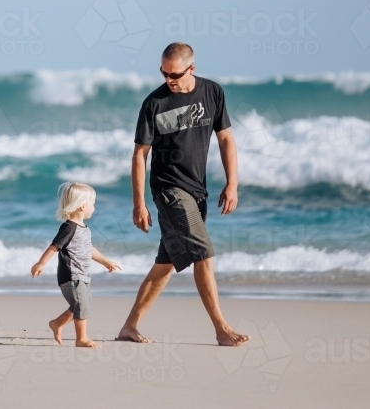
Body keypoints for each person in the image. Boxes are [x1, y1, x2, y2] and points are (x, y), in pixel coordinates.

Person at [116, 42, 250, 347]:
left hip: (197, 190)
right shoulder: (154, 103)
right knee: (204, 254)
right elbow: (140, 154)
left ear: (192, 68)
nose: (168, 80)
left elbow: (226, 138)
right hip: (168, 190)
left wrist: (232, 183)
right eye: (164, 73)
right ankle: (221, 328)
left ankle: (129, 327)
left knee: (166, 264)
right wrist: (139, 203)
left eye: (174, 74)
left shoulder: (212, 92)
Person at [31, 182, 122, 348]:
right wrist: (41, 263)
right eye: (92, 203)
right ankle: (81, 338)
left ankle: (57, 323)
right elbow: (54, 246)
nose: (94, 207)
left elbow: (89, 249)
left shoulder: (84, 229)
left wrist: (105, 261)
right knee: (82, 305)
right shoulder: (69, 227)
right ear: (82, 206)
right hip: (71, 275)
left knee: (81, 305)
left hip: (82, 274)